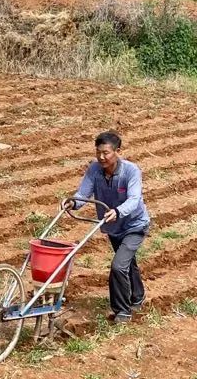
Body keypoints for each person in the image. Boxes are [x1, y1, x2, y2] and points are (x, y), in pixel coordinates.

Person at [64, 131, 150, 322]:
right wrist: (73, 203)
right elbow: (83, 192)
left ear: (118, 151)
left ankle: (122, 311)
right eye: (98, 152)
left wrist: (118, 211)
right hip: (113, 226)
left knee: (118, 266)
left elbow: (134, 199)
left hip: (134, 225)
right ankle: (137, 296)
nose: (101, 157)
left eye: (106, 153)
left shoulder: (131, 171)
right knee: (127, 263)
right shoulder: (94, 170)